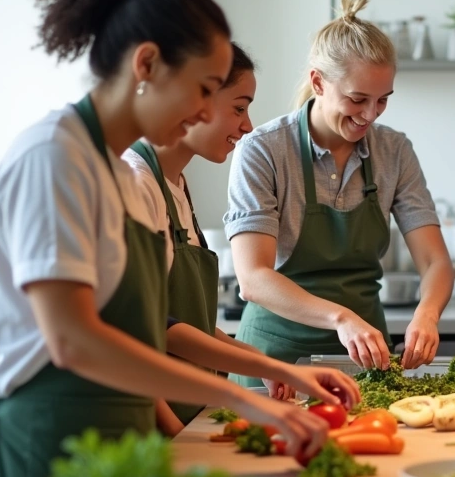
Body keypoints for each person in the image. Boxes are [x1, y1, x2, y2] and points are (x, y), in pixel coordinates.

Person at [0, 0, 345, 477]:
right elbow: (73, 339)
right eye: (205, 88)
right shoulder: (53, 157)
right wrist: (246, 399)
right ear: (147, 64)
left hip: (126, 442)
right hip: (54, 439)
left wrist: (282, 373)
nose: (207, 112)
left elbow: (150, 332)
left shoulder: (124, 181)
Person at [225, 0, 453, 380]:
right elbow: (254, 278)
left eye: (382, 101)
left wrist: (427, 314)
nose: (369, 115)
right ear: (318, 81)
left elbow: (434, 261)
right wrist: (340, 317)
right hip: (275, 362)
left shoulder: (394, 151)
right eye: (357, 98)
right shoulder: (263, 150)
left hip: (367, 362)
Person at [123, 43, 315, 433]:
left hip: (187, 414)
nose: (247, 125)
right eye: (239, 107)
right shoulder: (136, 183)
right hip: (152, 426)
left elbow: (188, 322)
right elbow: (139, 334)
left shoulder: (175, 183)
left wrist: (269, 366)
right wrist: (174, 436)